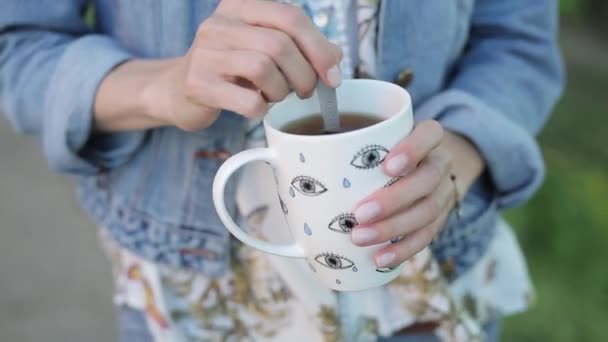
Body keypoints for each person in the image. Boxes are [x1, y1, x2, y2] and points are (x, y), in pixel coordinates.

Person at [0, 0, 563, 341]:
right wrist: (167, 85)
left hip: (428, 287)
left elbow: (518, 44)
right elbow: (18, 49)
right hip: (196, 304)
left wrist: (454, 158)